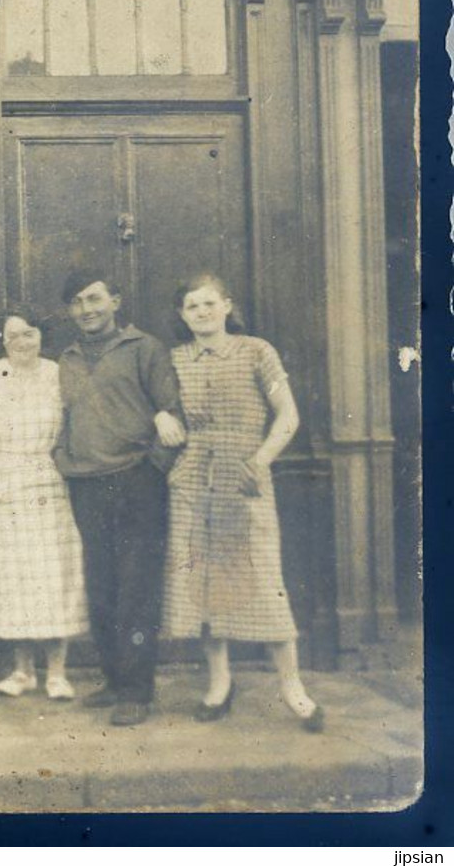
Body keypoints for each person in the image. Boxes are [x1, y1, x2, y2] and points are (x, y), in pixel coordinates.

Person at [162, 273, 322, 732]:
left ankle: (292, 687)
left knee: (264, 580)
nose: (202, 312)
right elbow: (163, 406)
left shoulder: (256, 351)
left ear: (226, 305)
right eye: (192, 306)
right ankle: (219, 684)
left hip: (245, 476)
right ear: (182, 315)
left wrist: (262, 459)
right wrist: (161, 417)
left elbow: (288, 416)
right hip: (194, 477)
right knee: (203, 586)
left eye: (209, 303)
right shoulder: (175, 359)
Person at [54, 268, 186, 728]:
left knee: (136, 589)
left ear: (115, 300)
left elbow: (173, 414)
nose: (86, 310)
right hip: (86, 484)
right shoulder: (67, 357)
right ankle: (112, 680)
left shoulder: (144, 349)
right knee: (102, 588)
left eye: (94, 299)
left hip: (136, 483)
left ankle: (136, 690)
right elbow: (65, 416)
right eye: (76, 302)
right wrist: (64, 457)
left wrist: (152, 470)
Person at [0, 306, 87, 701]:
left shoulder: (58, 374)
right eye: (14, 335)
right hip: (1, 480)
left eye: (30, 334)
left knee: (53, 576)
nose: (23, 342)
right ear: (3, 340)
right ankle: (22, 671)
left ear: (41, 337)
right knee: (12, 578)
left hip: (47, 480)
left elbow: (73, 425)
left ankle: (56, 672)